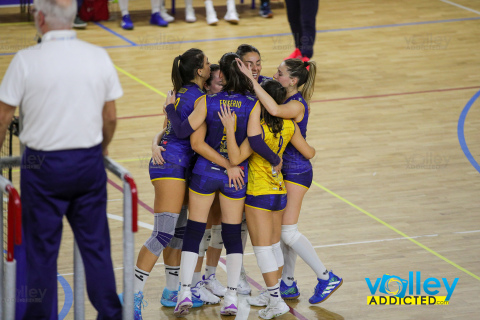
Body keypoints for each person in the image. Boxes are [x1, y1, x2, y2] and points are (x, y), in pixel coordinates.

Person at [0, 0, 122, 318]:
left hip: (42, 168)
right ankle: (110, 314)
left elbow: (2, 118)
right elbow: (110, 117)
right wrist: (103, 147)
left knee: (41, 253)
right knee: (96, 249)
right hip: (88, 165)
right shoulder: (99, 56)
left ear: (40, 18)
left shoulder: (25, 60)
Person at [236, 58, 343, 304]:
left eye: (280, 73)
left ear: (293, 81)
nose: (275, 75)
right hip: (284, 172)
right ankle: (288, 283)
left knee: (287, 231)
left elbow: (273, 110)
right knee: (283, 232)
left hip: (296, 171)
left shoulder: (295, 105)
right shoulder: (283, 96)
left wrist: (253, 81)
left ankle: (326, 276)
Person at [164, 52, 259, 316]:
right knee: (231, 235)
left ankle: (184, 291)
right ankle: (230, 297)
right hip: (236, 176)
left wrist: (170, 109)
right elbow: (253, 143)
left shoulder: (208, 100)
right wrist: (232, 165)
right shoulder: (253, 104)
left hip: (205, 173)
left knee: (194, 231)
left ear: (223, 77)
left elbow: (188, 136)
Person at [219, 79, 316, 319]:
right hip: (280, 192)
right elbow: (309, 152)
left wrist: (230, 130)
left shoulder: (258, 131)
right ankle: (275, 297)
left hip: (259, 193)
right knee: (274, 248)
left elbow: (235, 158)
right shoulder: (289, 127)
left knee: (263, 250)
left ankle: (275, 301)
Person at [130, 48, 214, 319]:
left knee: (178, 232)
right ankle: (132, 296)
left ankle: (171, 292)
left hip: (175, 166)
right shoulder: (199, 99)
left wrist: (154, 143)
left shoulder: (177, 92)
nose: (210, 66)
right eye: (207, 63)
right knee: (162, 234)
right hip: (172, 167)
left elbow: (166, 129)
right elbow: (180, 131)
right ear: (199, 71)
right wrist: (167, 110)